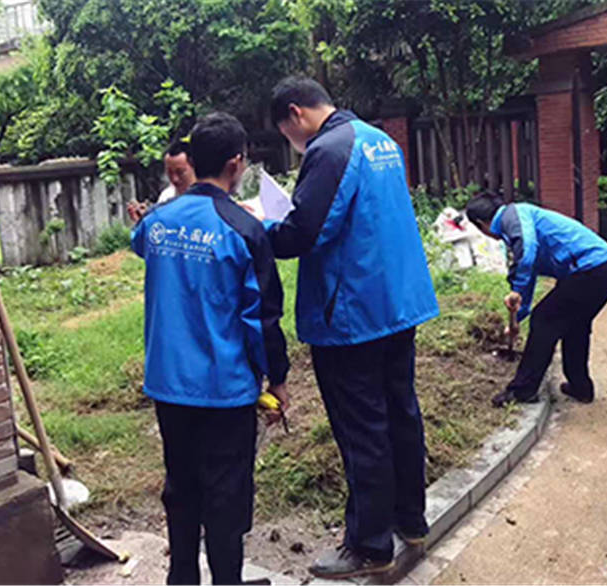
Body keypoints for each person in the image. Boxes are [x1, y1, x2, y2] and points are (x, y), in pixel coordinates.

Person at [265, 76, 439, 579]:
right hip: (396, 303)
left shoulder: (329, 149)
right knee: (401, 413)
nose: (292, 144)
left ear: (295, 114)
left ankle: (369, 544)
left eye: (285, 134)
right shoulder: (379, 140)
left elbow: (303, 233)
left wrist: (257, 227)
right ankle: (411, 520)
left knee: (363, 429)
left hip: (352, 314)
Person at [129, 112, 289, 585]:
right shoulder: (244, 230)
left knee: (180, 487)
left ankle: (181, 578)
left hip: (168, 385)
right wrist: (277, 379)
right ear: (236, 163)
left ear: (193, 160)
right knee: (225, 495)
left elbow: (140, 243)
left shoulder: (157, 224)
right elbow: (263, 318)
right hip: (225, 390)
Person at [465, 192, 607, 408]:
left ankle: (523, 390)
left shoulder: (513, 217)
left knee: (543, 320)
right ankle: (580, 387)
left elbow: (527, 253)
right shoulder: (515, 223)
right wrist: (518, 317)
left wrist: (517, 291)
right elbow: (528, 272)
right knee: (575, 326)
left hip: (593, 269)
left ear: (480, 224)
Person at [158, 139, 198, 203]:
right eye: (170, 173)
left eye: (180, 172)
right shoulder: (166, 197)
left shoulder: (207, 196)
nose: (175, 179)